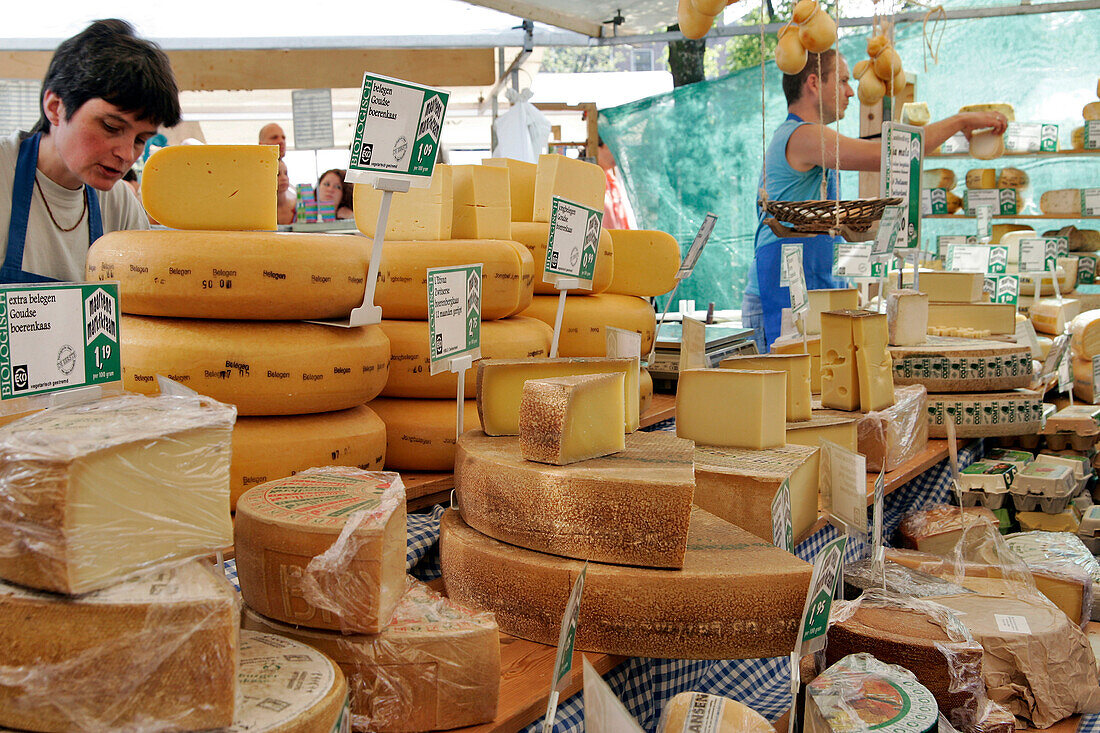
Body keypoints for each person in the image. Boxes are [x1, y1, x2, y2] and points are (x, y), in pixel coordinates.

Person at [741, 49, 1008, 352]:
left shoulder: (809, 136)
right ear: (814, 83)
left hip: (806, 284)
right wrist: (959, 122)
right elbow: (891, 153)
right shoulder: (802, 136)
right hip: (780, 295)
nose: (850, 91)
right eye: (842, 81)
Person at [0, 19, 180, 283]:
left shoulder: (119, 205)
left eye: (140, 139)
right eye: (110, 126)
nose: (127, 155)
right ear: (55, 107)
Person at [597, 137, 636, 230]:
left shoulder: (612, 180)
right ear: (599, 148)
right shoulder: (586, 179)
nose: (617, 155)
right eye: (613, 149)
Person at [276, 159, 295, 225]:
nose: (284, 178)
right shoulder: (262, 212)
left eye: (286, 173)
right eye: (277, 174)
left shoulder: (297, 207)